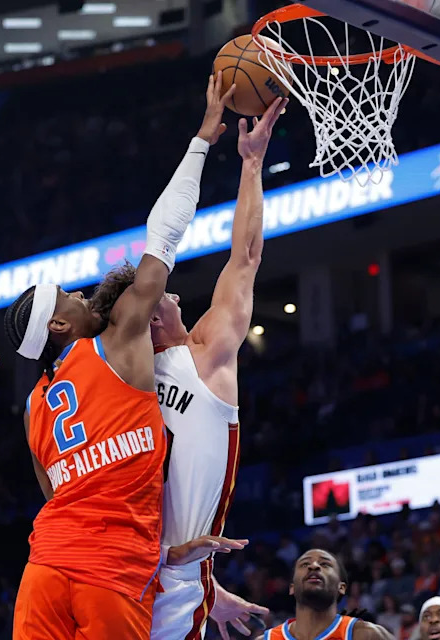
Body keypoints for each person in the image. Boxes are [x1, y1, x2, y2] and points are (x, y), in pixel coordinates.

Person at [6, 73, 245, 640]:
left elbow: (62, 496)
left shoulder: (34, 410)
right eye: (72, 297)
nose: (84, 294)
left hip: (45, 566)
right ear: (60, 325)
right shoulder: (113, 342)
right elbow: (162, 238)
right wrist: (202, 140)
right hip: (110, 572)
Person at [141, 92, 287, 640]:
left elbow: (245, 259)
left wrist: (252, 167)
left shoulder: (202, 355)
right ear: (153, 317)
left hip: (168, 576)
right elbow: (244, 260)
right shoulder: (146, 367)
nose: (167, 291)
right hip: (151, 572)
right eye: (158, 293)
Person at [257, 549, 394, 640]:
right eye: (305, 564)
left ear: (341, 587)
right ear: (292, 588)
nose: (314, 566)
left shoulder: (366, 635)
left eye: (325, 564)